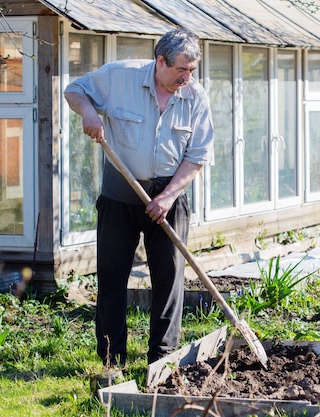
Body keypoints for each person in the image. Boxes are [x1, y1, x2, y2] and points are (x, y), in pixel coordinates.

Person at [64, 28, 214, 367]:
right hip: (120, 192)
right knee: (112, 276)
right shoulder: (120, 77)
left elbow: (197, 155)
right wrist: (89, 113)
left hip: (168, 197)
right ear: (160, 61)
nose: (187, 78)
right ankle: (110, 357)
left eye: (192, 71)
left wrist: (168, 197)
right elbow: (74, 90)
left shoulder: (195, 97)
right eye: (181, 70)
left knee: (169, 279)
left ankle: (161, 356)